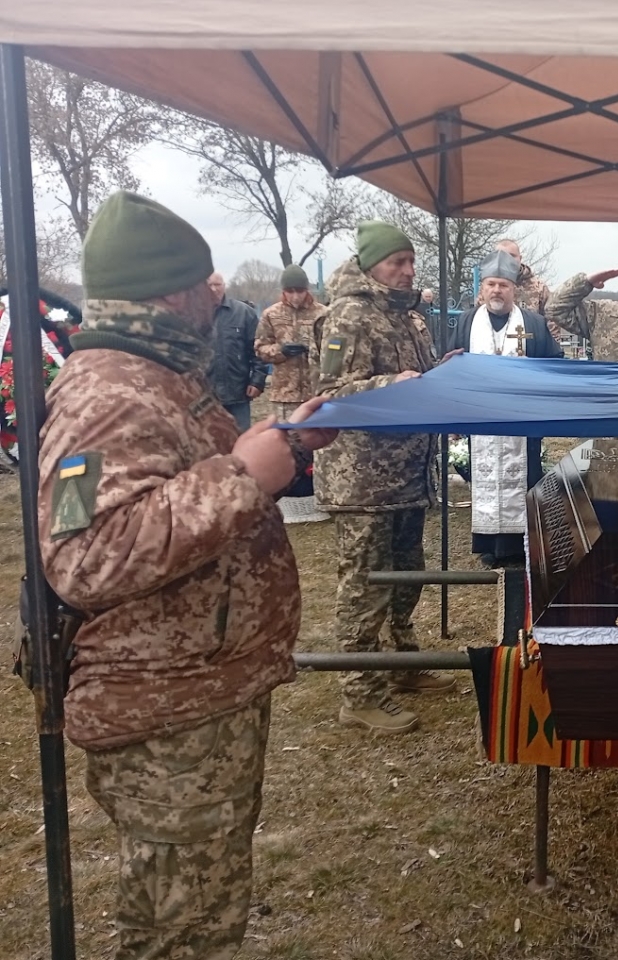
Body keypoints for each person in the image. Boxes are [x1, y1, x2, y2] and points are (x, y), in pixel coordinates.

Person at [37, 191, 336, 959]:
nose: (216, 292)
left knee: (192, 911)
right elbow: (82, 555)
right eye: (204, 280)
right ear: (169, 292)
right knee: (184, 928)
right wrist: (243, 474)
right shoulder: (107, 392)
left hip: (195, 691)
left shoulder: (156, 374)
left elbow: (175, 485)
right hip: (166, 711)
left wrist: (285, 445)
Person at [314, 220, 456, 736]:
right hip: (363, 481)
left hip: (408, 476)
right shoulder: (348, 315)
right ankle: (361, 693)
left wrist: (443, 370)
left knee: (406, 575)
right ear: (372, 264)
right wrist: (391, 382)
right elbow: (329, 393)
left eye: (411, 261)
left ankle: (402, 663)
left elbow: (417, 381)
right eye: (398, 262)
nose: (408, 270)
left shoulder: (410, 317)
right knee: (365, 585)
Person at [444, 249, 562, 568]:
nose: (497, 290)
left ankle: (522, 545)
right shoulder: (467, 321)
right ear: (482, 288)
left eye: (503, 285)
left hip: (522, 422)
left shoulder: (533, 323)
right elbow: (450, 364)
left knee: (525, 481)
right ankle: (489, 546)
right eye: (491, 284)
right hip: (480, 418)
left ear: (514, 289)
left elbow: (555, 365)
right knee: (486, 478)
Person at [255, 263, 327, 420]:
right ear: (283, 291)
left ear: (307, 290)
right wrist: (280, 350)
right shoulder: (271, 314)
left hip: (316, 392)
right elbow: (260, 348)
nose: (295, 296)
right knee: (287, 434)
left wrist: (315, 350)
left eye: (300, 291)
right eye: (290, 291)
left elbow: (334, 348)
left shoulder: (323, 314)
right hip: (285, 395)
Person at [207, 270, 267, 432]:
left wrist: (257, 381)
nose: (213, 289)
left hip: (238, 393)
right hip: (205, 397)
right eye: (209, 285)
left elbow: (257, 350)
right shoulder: (193, 315)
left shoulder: (244, 313)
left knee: (242, 440)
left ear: (224, 286)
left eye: (217, 284)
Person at [495, 238, 551, 316]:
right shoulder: (490, 286)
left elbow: (550, 319)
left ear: (520, 258)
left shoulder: (539, 288)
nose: (508, 260)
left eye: (512, 256)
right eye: (503, 256)